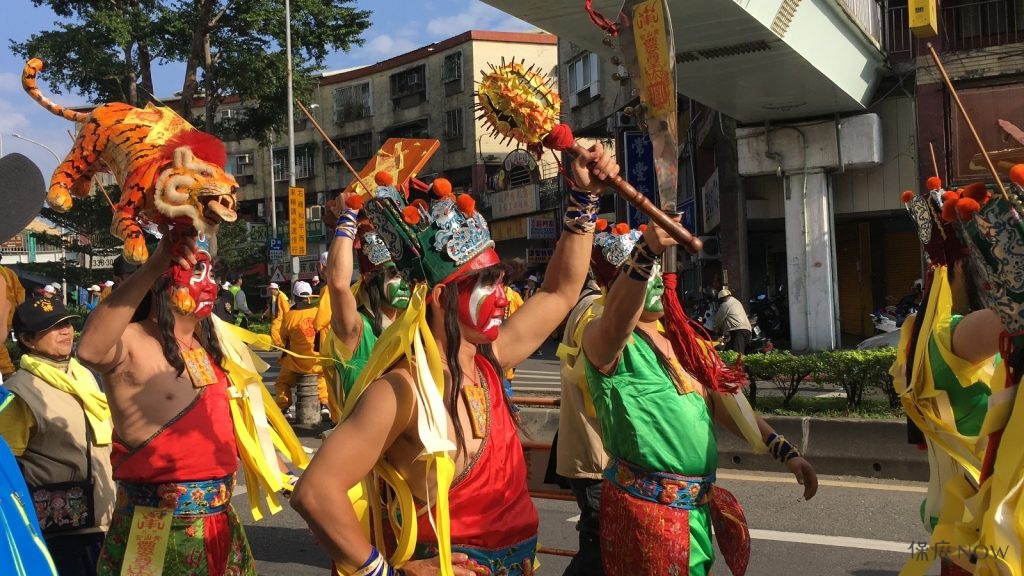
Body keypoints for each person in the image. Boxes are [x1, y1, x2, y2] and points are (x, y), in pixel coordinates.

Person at [291, 145, 616, 575]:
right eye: (487, 283)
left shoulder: (489, 361)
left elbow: (559, 292)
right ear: (442, 296)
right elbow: (314, 492)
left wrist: (584, 198)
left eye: (501, 281)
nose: (503, 297)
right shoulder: (403, 390)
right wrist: (388, 573)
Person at [580, 219, 817, 576]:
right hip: (645, 515)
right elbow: (617, 320)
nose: (656, 279)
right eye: (645, 273)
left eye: (658, 270)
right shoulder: (606, 341)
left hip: (695, 511)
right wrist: (646, 253)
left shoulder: (684, 341)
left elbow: (727, 403)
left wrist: (783, 450)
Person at [75, 230, 302, 575]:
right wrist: (152, 267)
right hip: (155, 524)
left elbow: (228, 421)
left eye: (212, 275)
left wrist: (285, 474)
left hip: (220, 518)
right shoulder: (132, 341)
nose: (209, 284)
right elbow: (90, 350)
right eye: (196, 272)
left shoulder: (208, 347)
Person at [893, 183, 1001, 576]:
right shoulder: (953, 337)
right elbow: (1013, 320)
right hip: (984, 529)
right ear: (960, 267)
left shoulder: (926, 338)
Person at [0, 298, 115, 576]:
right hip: (61, 528)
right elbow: (7, 466)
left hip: (107, 515)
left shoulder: (84, 374)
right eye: (52, 327)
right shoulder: (21, 392)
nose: (65, 332)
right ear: (27, 339)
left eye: (66, 324)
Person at [324, 193, 411, 411]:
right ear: (370, 278)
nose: (403, 284)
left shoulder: (413, 325)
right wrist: (348, 216)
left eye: (405, 275)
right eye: (393, 275)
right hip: (363, 441)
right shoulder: (355, 329)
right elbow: (338, 284)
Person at [273, 281, 331, 420]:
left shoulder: (289, 316)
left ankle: (285, 408)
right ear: (309, 296)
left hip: (295, 362)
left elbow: (283, 336)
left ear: (295, 296)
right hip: (316, 361)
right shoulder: (318, 312)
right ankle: (324, 404)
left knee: (282, 382)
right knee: (322, 378)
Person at [0, 264, 26, 378]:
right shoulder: (8, 272)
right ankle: (7, 371)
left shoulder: (7, 273)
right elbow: (20, 296)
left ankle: (7, 371)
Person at [714, 287, 752, 357]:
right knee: (743, 354)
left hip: (737, 330)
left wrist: (716, 327)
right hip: (747, 329)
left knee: (737, 355)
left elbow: (719, 319)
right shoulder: (737, 302)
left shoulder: (725, 304)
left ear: (722, 298)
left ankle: (738, 367)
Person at [263, 282, 290, 347]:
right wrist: (264, 315)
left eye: (271, 289)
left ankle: (278, 344)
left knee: (274, 330)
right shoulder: (274, 297)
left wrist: (287, 318)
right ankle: (280, 344)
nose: (270, 291)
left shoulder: (281, 296)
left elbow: (286, 308)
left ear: (275, 289)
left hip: (279, 318)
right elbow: (271, 308)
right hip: (276, 317)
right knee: (278, 332)